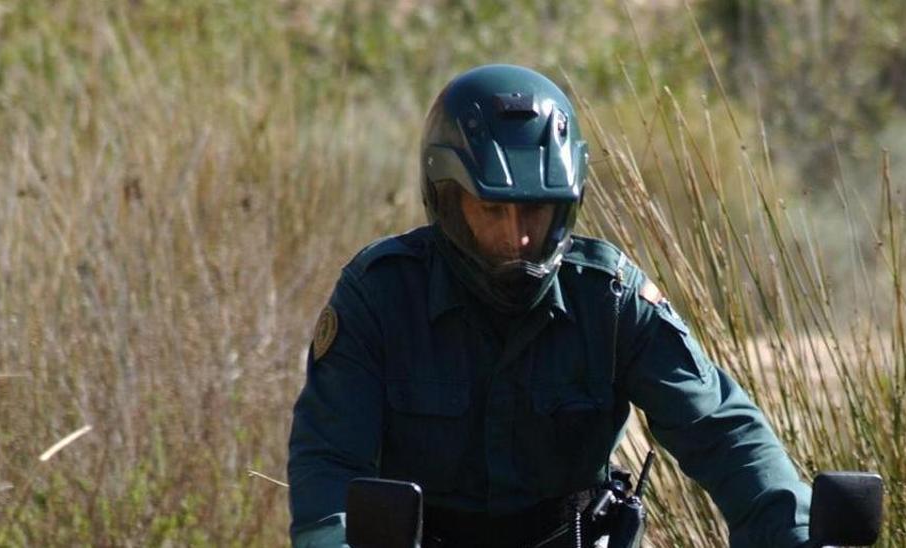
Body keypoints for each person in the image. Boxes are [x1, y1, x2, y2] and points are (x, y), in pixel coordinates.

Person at [287, 64, 811, 548]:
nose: (517, 239)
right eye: (493, 211)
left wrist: (799, 534)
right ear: (446, 199)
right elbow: (328, 465)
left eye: (535, 211)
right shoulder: (379, 295)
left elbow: (722, 430)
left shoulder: (609, 297)